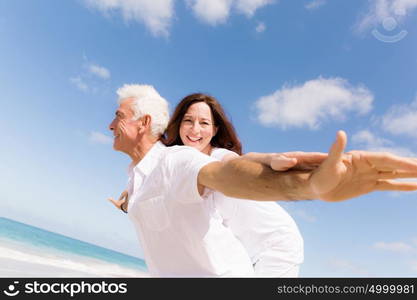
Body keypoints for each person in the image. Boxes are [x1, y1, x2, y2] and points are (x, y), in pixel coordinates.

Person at [108, 84, 417, 277]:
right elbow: (162, 192)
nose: (194, 129)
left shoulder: (216, 159)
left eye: (204, 123)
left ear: (215, 131)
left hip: (276, 250)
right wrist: (129, 202)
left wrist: (296, 175)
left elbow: (242, 169)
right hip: (242, 255)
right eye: (188, 120)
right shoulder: (171, 164)